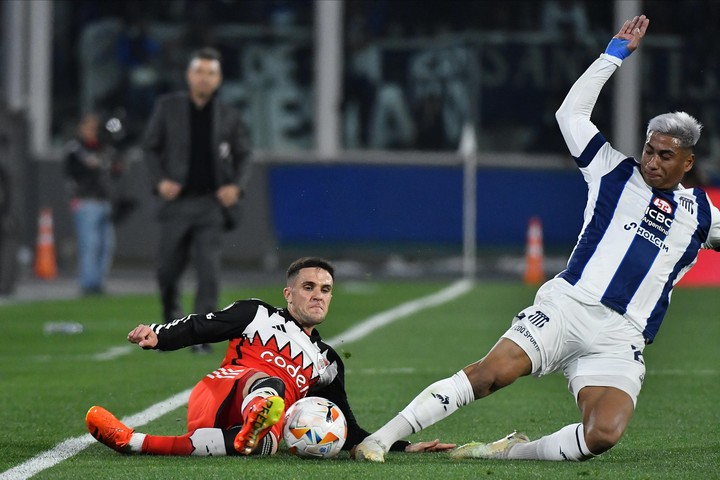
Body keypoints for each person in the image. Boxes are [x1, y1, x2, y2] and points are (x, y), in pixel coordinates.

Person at [356, 14, 720, 463]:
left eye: (666, 156)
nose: (652, 161)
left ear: (688, 162)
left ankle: (504, 453)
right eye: (649, 149)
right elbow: (570, 114)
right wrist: (612, 56)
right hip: (567, 306)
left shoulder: (702, 214)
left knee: (602, 435)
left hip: (621, 336)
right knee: (491, 374)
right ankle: (380, 439)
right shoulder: (610, 170)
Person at [86, 257, 454, 457]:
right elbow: (202, 326)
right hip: (221, 394)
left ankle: (132, 441)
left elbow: (346, 427)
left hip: (250, 429)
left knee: (266, 444)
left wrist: (400, 444)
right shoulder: (257, 313)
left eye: (325, 290)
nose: (318, 296)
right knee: (271, 385)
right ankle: (258, 417)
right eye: (308, 287)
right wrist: (159, 334)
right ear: (288, 293)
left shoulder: (327, 362)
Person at [142, 47, 252, 354]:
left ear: (219, 79)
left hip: (210, 205)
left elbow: (245, 154)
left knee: (208, 274)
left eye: (211, 73)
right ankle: (170, 323)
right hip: (176, 204)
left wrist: (236, 187)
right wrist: (160, 180)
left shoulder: (229, 114)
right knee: (167, 270)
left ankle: (201, 337)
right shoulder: (168, 107)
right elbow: (150, 147)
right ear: (189, 75)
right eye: (200, 71)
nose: (205, 78)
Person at [64, 113, 123, 295]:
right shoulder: (75, 148)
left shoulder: (105, 147)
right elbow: (72, 172)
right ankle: (88, 284)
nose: (92, 131)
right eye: (88, 126)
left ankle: (98, 282)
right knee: (90, 244)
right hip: (85, 200)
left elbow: (115, 171)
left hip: (104, 200)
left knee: (106, 245)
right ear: (80, 128)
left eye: (94, 127)